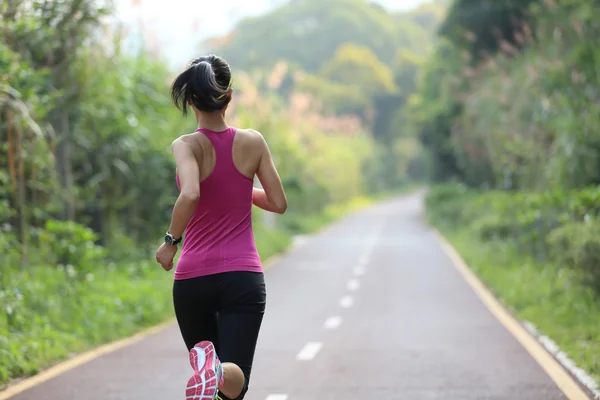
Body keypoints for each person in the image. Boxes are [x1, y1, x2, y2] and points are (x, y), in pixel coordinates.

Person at [155, 54, 287, 400]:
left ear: (191, 102)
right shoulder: (254, 142)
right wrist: (243, 190)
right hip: (243, 278)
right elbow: (278, 203)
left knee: (215, 385)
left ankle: (209, 371)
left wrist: (171, 242)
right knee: (234, 382)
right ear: (228, 97)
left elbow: (192, 192)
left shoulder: (185, 145)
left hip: (193, 280)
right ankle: (214, 372)